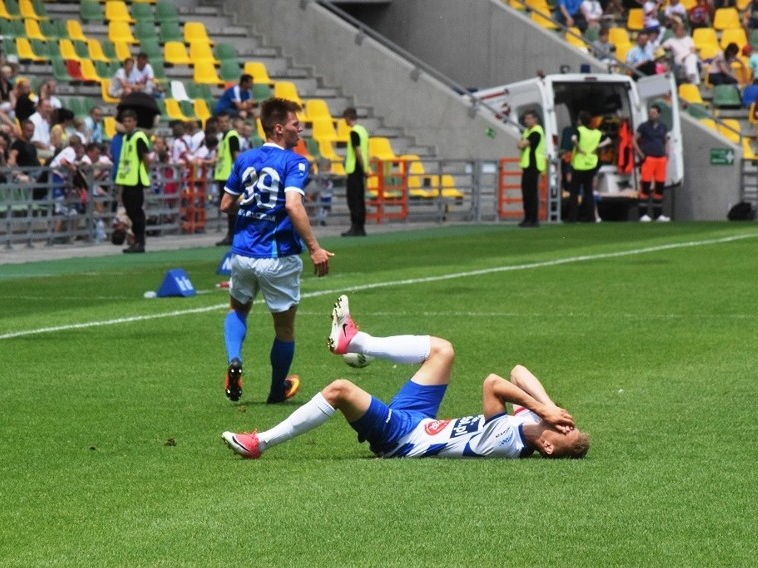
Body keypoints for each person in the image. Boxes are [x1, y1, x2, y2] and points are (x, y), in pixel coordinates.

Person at [223, 295, 590, 460]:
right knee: (443, 350)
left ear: (547, 445)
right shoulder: (534, 422)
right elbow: (519, 371)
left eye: (560, 430)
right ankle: (356, 340)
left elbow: (495, 382)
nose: (556, 422)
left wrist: (543, 408)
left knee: (340, 389)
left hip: (402, 437)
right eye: (564, 423)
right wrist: (550, 407)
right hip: (421, 419)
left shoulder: (508, 442)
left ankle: (262, 443)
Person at [219, 97, 334, 404]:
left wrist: (255, 205)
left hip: (242, 254)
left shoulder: (245, 158)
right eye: (297, 125)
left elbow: (226, 204)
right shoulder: (293, 162)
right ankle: (275, 391)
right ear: (280, 128)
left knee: (237, 309)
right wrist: (315, 248)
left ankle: (234, 358)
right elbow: (293, 204)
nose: (301, 130)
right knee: (284, 328)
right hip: (276, 255)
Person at [114, 109, 151, 253]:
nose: (127, 124)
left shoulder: (138, 137)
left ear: (135, 122)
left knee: (137, 213)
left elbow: (146, 158)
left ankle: (140, 241)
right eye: (125, 121)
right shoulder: (125, 138)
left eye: (130, 121)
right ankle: (136, 240)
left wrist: (144, 174)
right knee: (130, 212)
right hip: (127, 181)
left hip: (136, 181)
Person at [566, 111, 611, 223]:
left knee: (574, 192)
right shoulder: (596, 132)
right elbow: (609, 140)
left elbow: (573, 139)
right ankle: (592, 217)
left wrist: (579, 147)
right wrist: (598, 146)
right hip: (591, 164)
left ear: (580, 121)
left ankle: (573, 217)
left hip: (579, 164)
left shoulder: (580, 130)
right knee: (588, 191)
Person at [634, 104, 671, 222]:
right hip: (649, 159)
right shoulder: (644, 126)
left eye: (654, 113)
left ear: (658, 114)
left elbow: (666, 140)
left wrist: (667, 153)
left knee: (659, 187)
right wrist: (640, 154)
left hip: (661, 159)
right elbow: (634, 139)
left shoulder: (663, 127)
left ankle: (658, 215)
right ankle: (643, 214)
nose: (652, 114)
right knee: (645, 186)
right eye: (650, 112)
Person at [212, 112, 243, 246]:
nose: (223, 124)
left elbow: (236, 156)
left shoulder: (231, 136)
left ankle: (233, 235)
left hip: (229, 177)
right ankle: (231, 234)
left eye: (226, 121)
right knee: (229, 208)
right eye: (221, 121)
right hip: (223, 176)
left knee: (232, 208)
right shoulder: (223, 137)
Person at [341, 107, 370, 237]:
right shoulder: (363, 130)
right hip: (361, 169)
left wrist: (363, 167)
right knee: (360, 198)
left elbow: (357, 151)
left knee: (353, 199)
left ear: (348, 117)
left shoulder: (354, 132)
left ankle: (355, 226)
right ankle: (361, 227)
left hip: (355, 169)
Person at [517, 110, 546, 228]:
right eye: (525, 119)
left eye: (529, 118)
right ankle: (527, 217)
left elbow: (522, 144)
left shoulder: (536, 131)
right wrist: (521, 143)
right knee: (526, 191)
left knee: (531, 192)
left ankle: (533, 219)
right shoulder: (527, 131)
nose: (526, 121)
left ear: (535, 119)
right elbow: (520, 143)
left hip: (533, 165)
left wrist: (522, 143)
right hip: (527, 165)